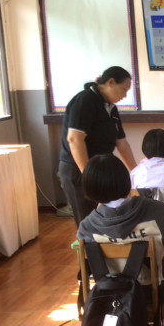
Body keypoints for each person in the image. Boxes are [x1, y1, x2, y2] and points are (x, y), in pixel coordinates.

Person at [76, 154, 164, 305]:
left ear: (88, 188)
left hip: (109, 295)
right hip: (156, 291)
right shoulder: (156, 211)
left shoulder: (87, 227)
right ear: (125, 180)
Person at [59, 66, 137, 227]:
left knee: (109, 216)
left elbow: (121, 142)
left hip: (102, 170)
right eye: (124, 89)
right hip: (80, 170)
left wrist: (137, 173)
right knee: (89, 221)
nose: (125, 95)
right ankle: (89, 244)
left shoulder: (110, 107)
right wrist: (89, 176)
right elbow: (74, 140)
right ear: (111, 82)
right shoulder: (85, 101)